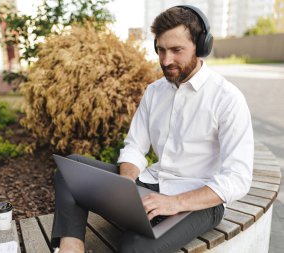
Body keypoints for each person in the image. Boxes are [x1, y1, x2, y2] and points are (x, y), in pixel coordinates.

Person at [51, 5, 254, 253]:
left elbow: (238, 178)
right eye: (161, 50)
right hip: (152, 184)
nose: (166, 60)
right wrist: (125, 184)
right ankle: (72, 250)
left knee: (134, 248)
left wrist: (175, 203)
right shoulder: (154, 91)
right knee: (71, 170)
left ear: (201, 46)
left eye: (176, 50)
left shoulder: (228, 99)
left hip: (201, 201)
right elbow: (135, 146)